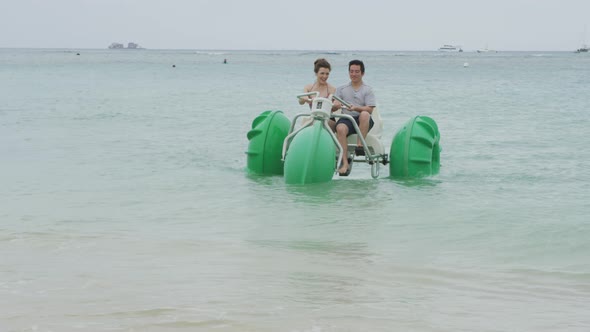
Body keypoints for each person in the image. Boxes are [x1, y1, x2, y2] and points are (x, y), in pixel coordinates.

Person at [332, 59, 376, 176]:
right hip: (347, 119)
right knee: (340, 128)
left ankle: (360, 145)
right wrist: (335, 105)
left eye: (357, 71)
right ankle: (345, 162)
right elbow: (335, 105)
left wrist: (356, 108)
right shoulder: (341, 89)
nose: (354, 74)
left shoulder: (368, 89)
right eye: (351, 71)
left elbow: (370, 109)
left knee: (365, 114)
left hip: (363, 119)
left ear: (362, 73)